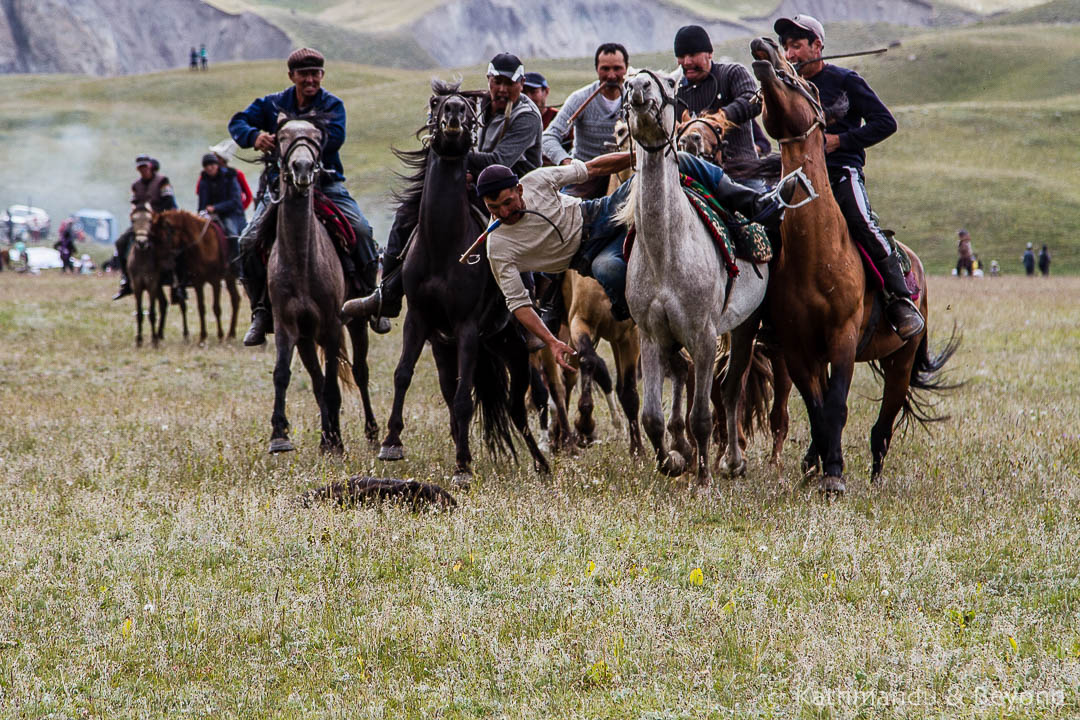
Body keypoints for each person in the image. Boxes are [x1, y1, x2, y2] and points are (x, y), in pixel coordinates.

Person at [460, 152, 786, 370]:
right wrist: (552, 341)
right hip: (588, 255)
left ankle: (751, 203)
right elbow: (519, 304)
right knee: (609, 269)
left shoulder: (536, 181)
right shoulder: (498, 247)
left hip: (604, 211)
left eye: (507, 202)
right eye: (494, 208)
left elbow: (594, 167)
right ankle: (649, 324)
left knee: (674, 160)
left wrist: (642, 155)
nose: (504, 212)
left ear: (518, 189)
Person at [346, 51, 543, 333]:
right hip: (472, 184)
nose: (501, 89)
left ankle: (527, 303)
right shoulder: (476, 105)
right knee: (407, 215)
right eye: (496, 81)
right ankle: (387, 293)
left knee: (510, 238)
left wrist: (452, 148)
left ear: (521, 83)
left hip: (513, 190)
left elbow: (498, 160)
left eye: (509, 83)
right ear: (488, 79)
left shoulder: (527, 117)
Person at [777, 14, 923, 340]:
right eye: (786, 48)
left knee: (862, 223)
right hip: (798, 178)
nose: (791, 55)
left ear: (818, 46)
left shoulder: (845, 81)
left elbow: (885, 123)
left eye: (797, 46)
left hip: (842, 172)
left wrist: (840, 141)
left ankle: (899, 300)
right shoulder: (789, 88)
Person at [228, 47, 380, 346]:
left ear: (322, 75)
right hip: (280, 188)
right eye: (304, 75)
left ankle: (370, 300)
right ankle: (260, 309)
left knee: (361, 230)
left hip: (326, 184)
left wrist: (295, 139)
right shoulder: (271, 104)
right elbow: (238, 122)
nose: (310, 80)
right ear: (292, 76)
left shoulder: (333, 105)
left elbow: (334, 138)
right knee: (247, 241)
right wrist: (254, 136)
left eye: (315, 74)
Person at [674, 25, 762, 181]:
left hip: (742, 173)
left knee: (760, 204)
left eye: (693, 54)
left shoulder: (732, 73)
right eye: (681, 56)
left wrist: (718, 120)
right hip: (693, 177)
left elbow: (753, 100)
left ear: (709, 53)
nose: (686, 62)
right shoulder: (675, 91)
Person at [542, 43, 628, 198]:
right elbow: (548, 137)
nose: (611, 75)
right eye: (605, 69)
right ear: (597, 69)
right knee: (568, 214)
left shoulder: (634, 100)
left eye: (617, 68)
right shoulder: (579, 99)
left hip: (625, 174)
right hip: (586, 176)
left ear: (626, 68)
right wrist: (567, 163)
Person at [112, 154, 178, 300]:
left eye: (145, 167)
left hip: (160, 223)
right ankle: (126, 279)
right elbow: (134, 203)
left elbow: (170, 204)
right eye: (140, 168)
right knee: (121, 242)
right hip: (141, 224)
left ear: (150, 167)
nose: (143, 170)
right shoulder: (136, 185)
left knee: (174, 245)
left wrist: (159, 217)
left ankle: (177, 282)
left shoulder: (163, 182)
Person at [197, 153, 247, 238]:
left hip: (231, 214)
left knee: (231, 232)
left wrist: (215, 208)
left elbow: (235, 201)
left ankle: (236, 250)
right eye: (206, 166)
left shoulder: (229, 176)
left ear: (217, 165)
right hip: (210, 215)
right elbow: (202, 204)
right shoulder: (203, 181)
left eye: (212, 165)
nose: (209, 168)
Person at [201, 139, 254, 210]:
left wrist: (240, 209)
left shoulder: (236, 174)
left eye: (215, 156)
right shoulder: (206, 174)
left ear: (221, 159)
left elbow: (248, 196)